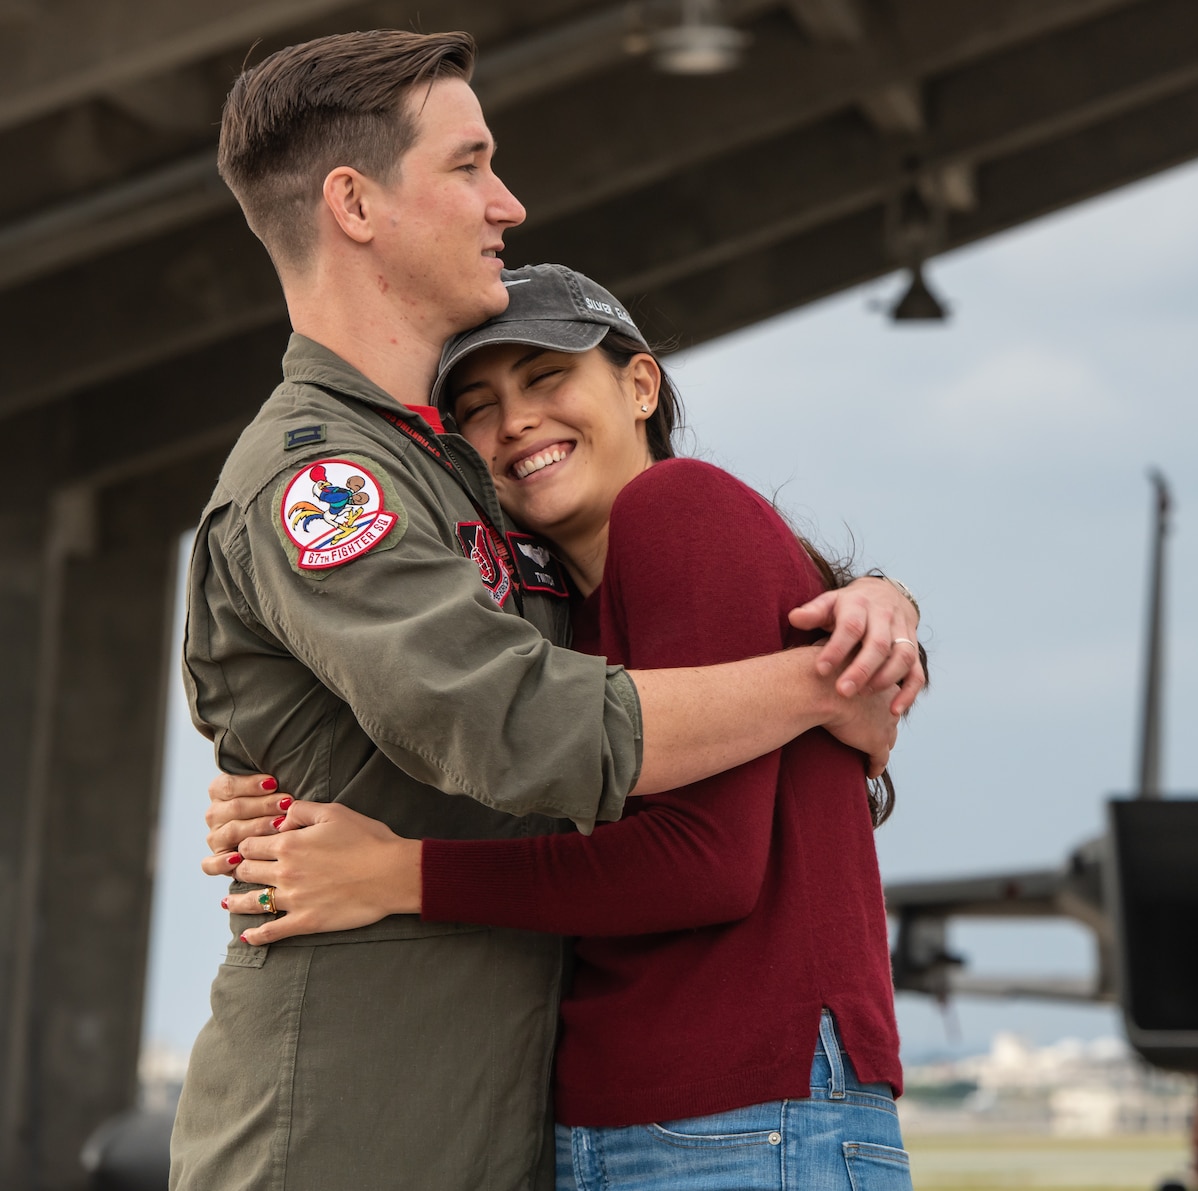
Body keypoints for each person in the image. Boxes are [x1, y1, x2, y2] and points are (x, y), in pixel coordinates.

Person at [172, 30, 925, 1191]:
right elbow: (517, 723)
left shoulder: (464, 482)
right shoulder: (324, 481)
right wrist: (827, 685)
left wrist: (865, 607)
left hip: (519, 1113)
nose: (506, 204)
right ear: (354, 204)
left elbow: (652, 657)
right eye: (468, 165)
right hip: (356, 1120)